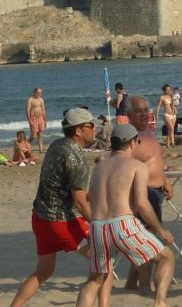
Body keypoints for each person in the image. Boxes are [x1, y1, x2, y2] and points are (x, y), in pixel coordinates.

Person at [10, 108, 109, 307]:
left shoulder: (56, 145)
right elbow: (80, 201)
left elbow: (59, 184)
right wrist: (100, 224)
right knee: (104, 264)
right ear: (79, 130)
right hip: (61, 222)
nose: (95, 129)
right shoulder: (76, 155)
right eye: (91, 126)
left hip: (40, 219)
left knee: (43, 272)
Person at [75, 123, 176, 307]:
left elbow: (91, 197)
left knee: (95, 280)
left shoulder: (98, 169)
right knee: (166, 257)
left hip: (97, 227)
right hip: (122, 224)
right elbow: (142, 203)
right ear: (132, 143)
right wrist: (160, 230)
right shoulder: (136, 166)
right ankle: (160, 303)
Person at [124, 95, 173, 295]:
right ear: (128, 115)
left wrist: (165, 180)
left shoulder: (148, 133)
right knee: (147, 241)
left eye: (146, 110)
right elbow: (120, 165)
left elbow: (156, 159)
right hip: (143, 194)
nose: (144, 114)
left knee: (147, 239)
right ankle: (144, 285)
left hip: (156, 191)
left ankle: (130, 282)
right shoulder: (129, 139)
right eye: (139, 111)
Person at [26, 87, 47, 153]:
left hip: (40, 118)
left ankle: (41, 149)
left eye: (40, 93)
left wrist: (45, 120)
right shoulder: (30, 99)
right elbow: (27, 111)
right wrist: (29, 121)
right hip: (33, 118)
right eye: (38, 93)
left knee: (40, 134)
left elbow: (43, 110)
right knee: (33, 135)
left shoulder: (41, 99)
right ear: (34, 92)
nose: (39, 94)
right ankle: (26, 145)